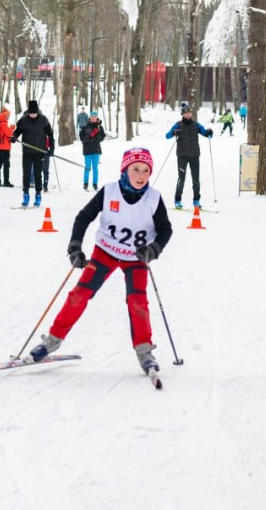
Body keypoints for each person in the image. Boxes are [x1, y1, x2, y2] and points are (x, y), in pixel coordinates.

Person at [29, 147, 173, 378]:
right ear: (125, 170)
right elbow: (83, 217)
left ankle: (145, 352)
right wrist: (75, 246)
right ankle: (52, 341)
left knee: (137, 302)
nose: (140, 175)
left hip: (136, 257)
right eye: (135, 169)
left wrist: (154, 249)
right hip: (105, 252)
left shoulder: (154, 198)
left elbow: (165, 229)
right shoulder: (109, 192)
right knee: (79, 294)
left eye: (146, 170)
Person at [165, 102, 212, 210]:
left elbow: (206, 134)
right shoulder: (178, 125)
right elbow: (167, 136)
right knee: (181, 179)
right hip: (182, 155)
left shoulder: (196, 125)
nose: (188, 115)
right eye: (186, 113)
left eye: (189, 113)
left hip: (195, 155)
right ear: (182, 114)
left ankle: (196, 200)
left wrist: (209, 132)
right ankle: (177, 200)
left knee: (196, 179)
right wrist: (174, 132)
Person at [12, 99, 54, 207]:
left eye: (34, 113)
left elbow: (50, 133)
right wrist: (14, 137)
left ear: (37, 112)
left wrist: (51, 147)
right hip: (27, 151)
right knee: (26, 173)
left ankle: (38, 195)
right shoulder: (24, 120)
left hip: (40, 152)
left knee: (37, 174)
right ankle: (25, 194)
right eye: (31, 113)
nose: (33, 115)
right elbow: (18, 131)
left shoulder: (44, 120)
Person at [79, 110, 105, 190]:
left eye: (95, 116)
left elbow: (101, 137)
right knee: (87, 167)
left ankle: (95, 183)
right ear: (90, 117)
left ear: (97, 117)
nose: (93, 118)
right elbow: (82, 138)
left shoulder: (100, 127)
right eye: (92, 116)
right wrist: (91, 136)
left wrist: (96, 135)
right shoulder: (85, 127)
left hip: (96, 150)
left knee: (95, 168)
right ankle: (85, 183)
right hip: (87, 151)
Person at [0, 106, 15, 187]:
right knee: (6, 164)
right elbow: (9, 134)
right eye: (8, 115)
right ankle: (6, 182)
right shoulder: (3, 123)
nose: (9, 117)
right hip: (4, 147)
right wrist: (12, 128)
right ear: (5, 116)